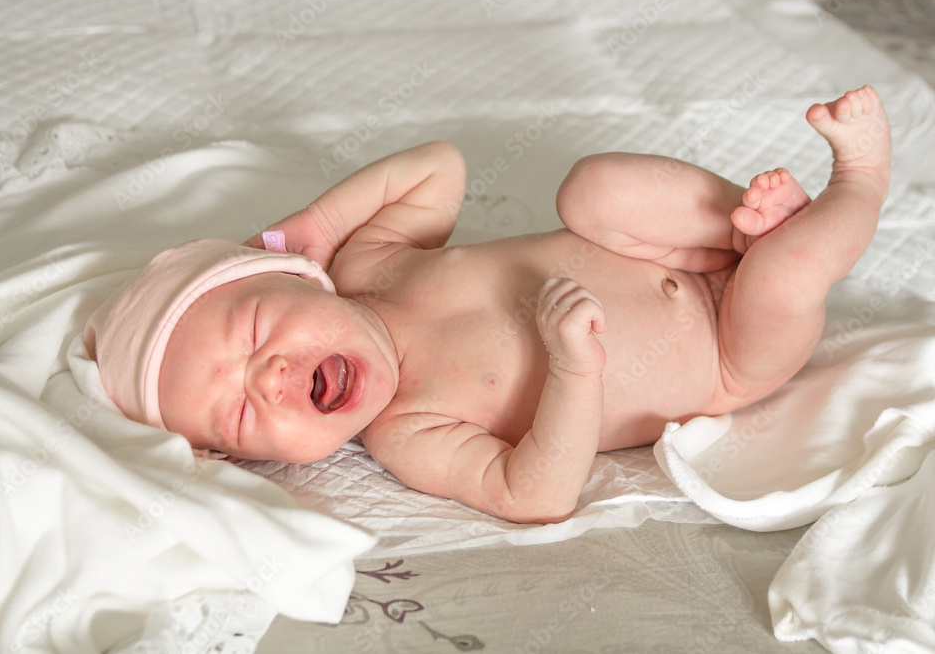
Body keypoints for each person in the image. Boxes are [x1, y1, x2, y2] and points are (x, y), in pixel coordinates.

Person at [86, 85, 891, 524]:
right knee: (785, 283)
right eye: (239, 415)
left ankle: (743, 226)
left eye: (256, 331)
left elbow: (436, 166)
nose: (268, 379)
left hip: (667, 250)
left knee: (593, 186)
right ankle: (857, 185)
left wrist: (322, 222)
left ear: (299, 276)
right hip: (727, 353)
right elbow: (532, 493)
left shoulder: (374, 262)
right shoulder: (409, 430)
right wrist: (575, 368)